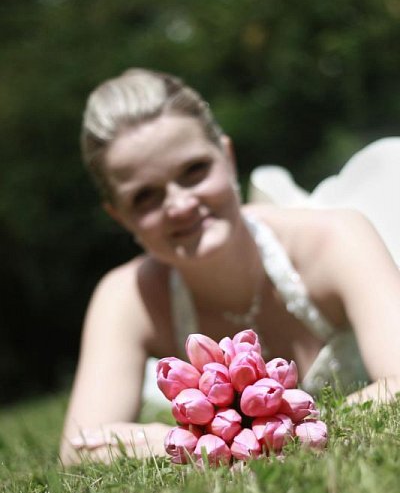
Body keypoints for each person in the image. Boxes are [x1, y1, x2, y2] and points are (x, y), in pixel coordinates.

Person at [59, 68, 400, 466]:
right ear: (120, 217)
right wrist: (199, 441)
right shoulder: (126, 296)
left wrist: (271, 434)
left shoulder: (336, 238)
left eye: (194, 171)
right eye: (145, 197)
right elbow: (78, 447)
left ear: (228, 157)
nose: (180, 205)